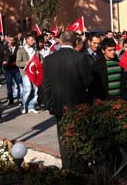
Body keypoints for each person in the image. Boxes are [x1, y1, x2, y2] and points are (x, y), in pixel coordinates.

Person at [42, 30, 91, 169]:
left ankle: (67, 166)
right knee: (78, 135)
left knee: (63, 135)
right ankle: (79, 167)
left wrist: (49, 105)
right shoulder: (80, 58)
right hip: (77, 104)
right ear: (75, 42)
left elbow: (45, 84)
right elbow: (87, 81)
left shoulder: (49, 59)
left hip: (58, 105)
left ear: (60, 41)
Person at [16, 33, 42, 114]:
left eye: (34, 40)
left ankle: (31, 106)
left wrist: (39, 63)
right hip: (26, 72)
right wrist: (26, 63)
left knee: (35, 90)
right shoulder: (21, 50)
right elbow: (18, 63)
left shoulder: (36, 51)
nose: (33, 41)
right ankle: (23, 105)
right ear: (27, 40)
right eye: (31, 40)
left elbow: (40, 60)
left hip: (35, 73)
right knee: (28, 89)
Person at [2, 35, 22, 105]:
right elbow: (0, 57)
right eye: (10, 40)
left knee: (19, 84)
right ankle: (10, 99)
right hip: (7, 69)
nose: (11, 41)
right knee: (9, 84)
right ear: (8, 40)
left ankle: (21, 98)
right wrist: (2, 63)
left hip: (16, 68)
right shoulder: (3, 48)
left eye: (12, 40)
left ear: (14, 40)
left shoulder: (18, 47)